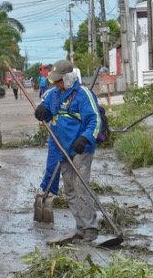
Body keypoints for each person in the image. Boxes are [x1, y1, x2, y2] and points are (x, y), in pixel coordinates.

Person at [34, 59, 102, 242]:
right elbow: (46, 110)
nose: (56, 84)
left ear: (69, 78)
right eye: (54, 81)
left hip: (81, 148)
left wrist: (85, 137)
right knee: (70, 187)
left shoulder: (83, 95)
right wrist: (42, 111)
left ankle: (90, 227)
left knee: (81, 186)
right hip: (62, 148)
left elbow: (95, 120)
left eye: (59, 80)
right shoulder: (53, 95)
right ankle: (80, 226)